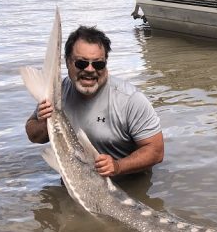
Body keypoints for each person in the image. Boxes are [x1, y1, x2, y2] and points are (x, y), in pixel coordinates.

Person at [25, 25, 164, 178]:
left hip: (125, 183)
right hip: (76, 179)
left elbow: (156, 151)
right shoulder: (57, 94)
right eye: (81, 63)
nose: (90, 70)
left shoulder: (130, 99)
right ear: (68, 62)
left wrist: (118, 166)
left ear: (106, 63)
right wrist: (43, 121)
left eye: (98, 64)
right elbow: (34, 136)